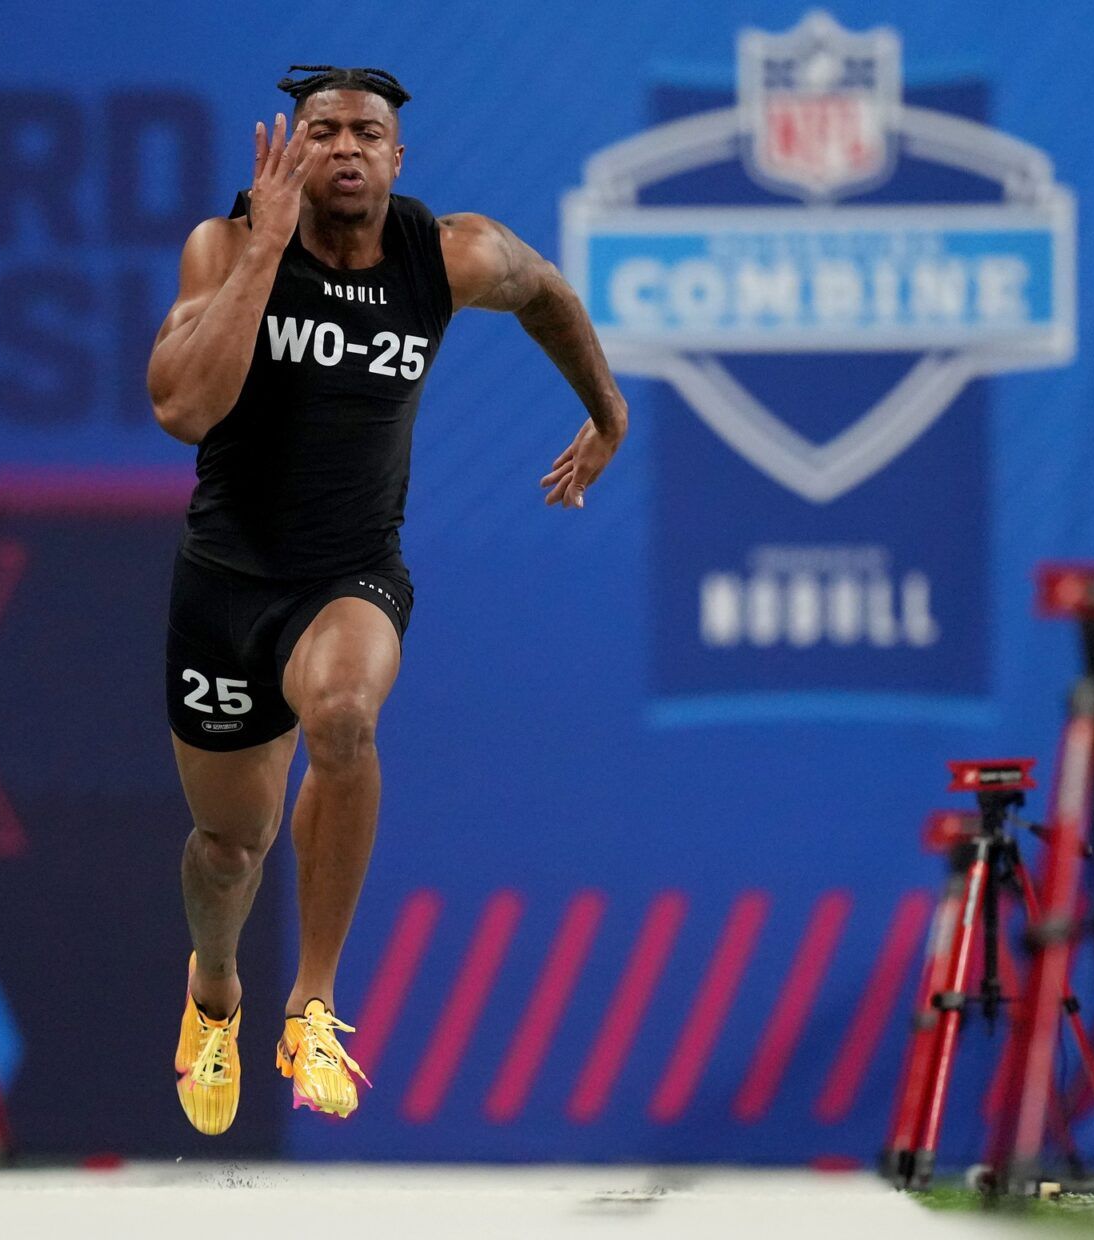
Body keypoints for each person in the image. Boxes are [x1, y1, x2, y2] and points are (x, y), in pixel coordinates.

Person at [145, 66, 629, 1134]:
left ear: (399, 159)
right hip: (226, 584)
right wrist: (266, 250)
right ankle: (215, 993)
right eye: (323, 132)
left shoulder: (449, 251)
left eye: (370, 133)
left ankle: (311, 1001)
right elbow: (182, 408)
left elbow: (547, 292)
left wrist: (607, 412)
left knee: (347, 713)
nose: (348, 148)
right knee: (229, 850)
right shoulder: (224, 249)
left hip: (349, 572)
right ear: (289, 152)